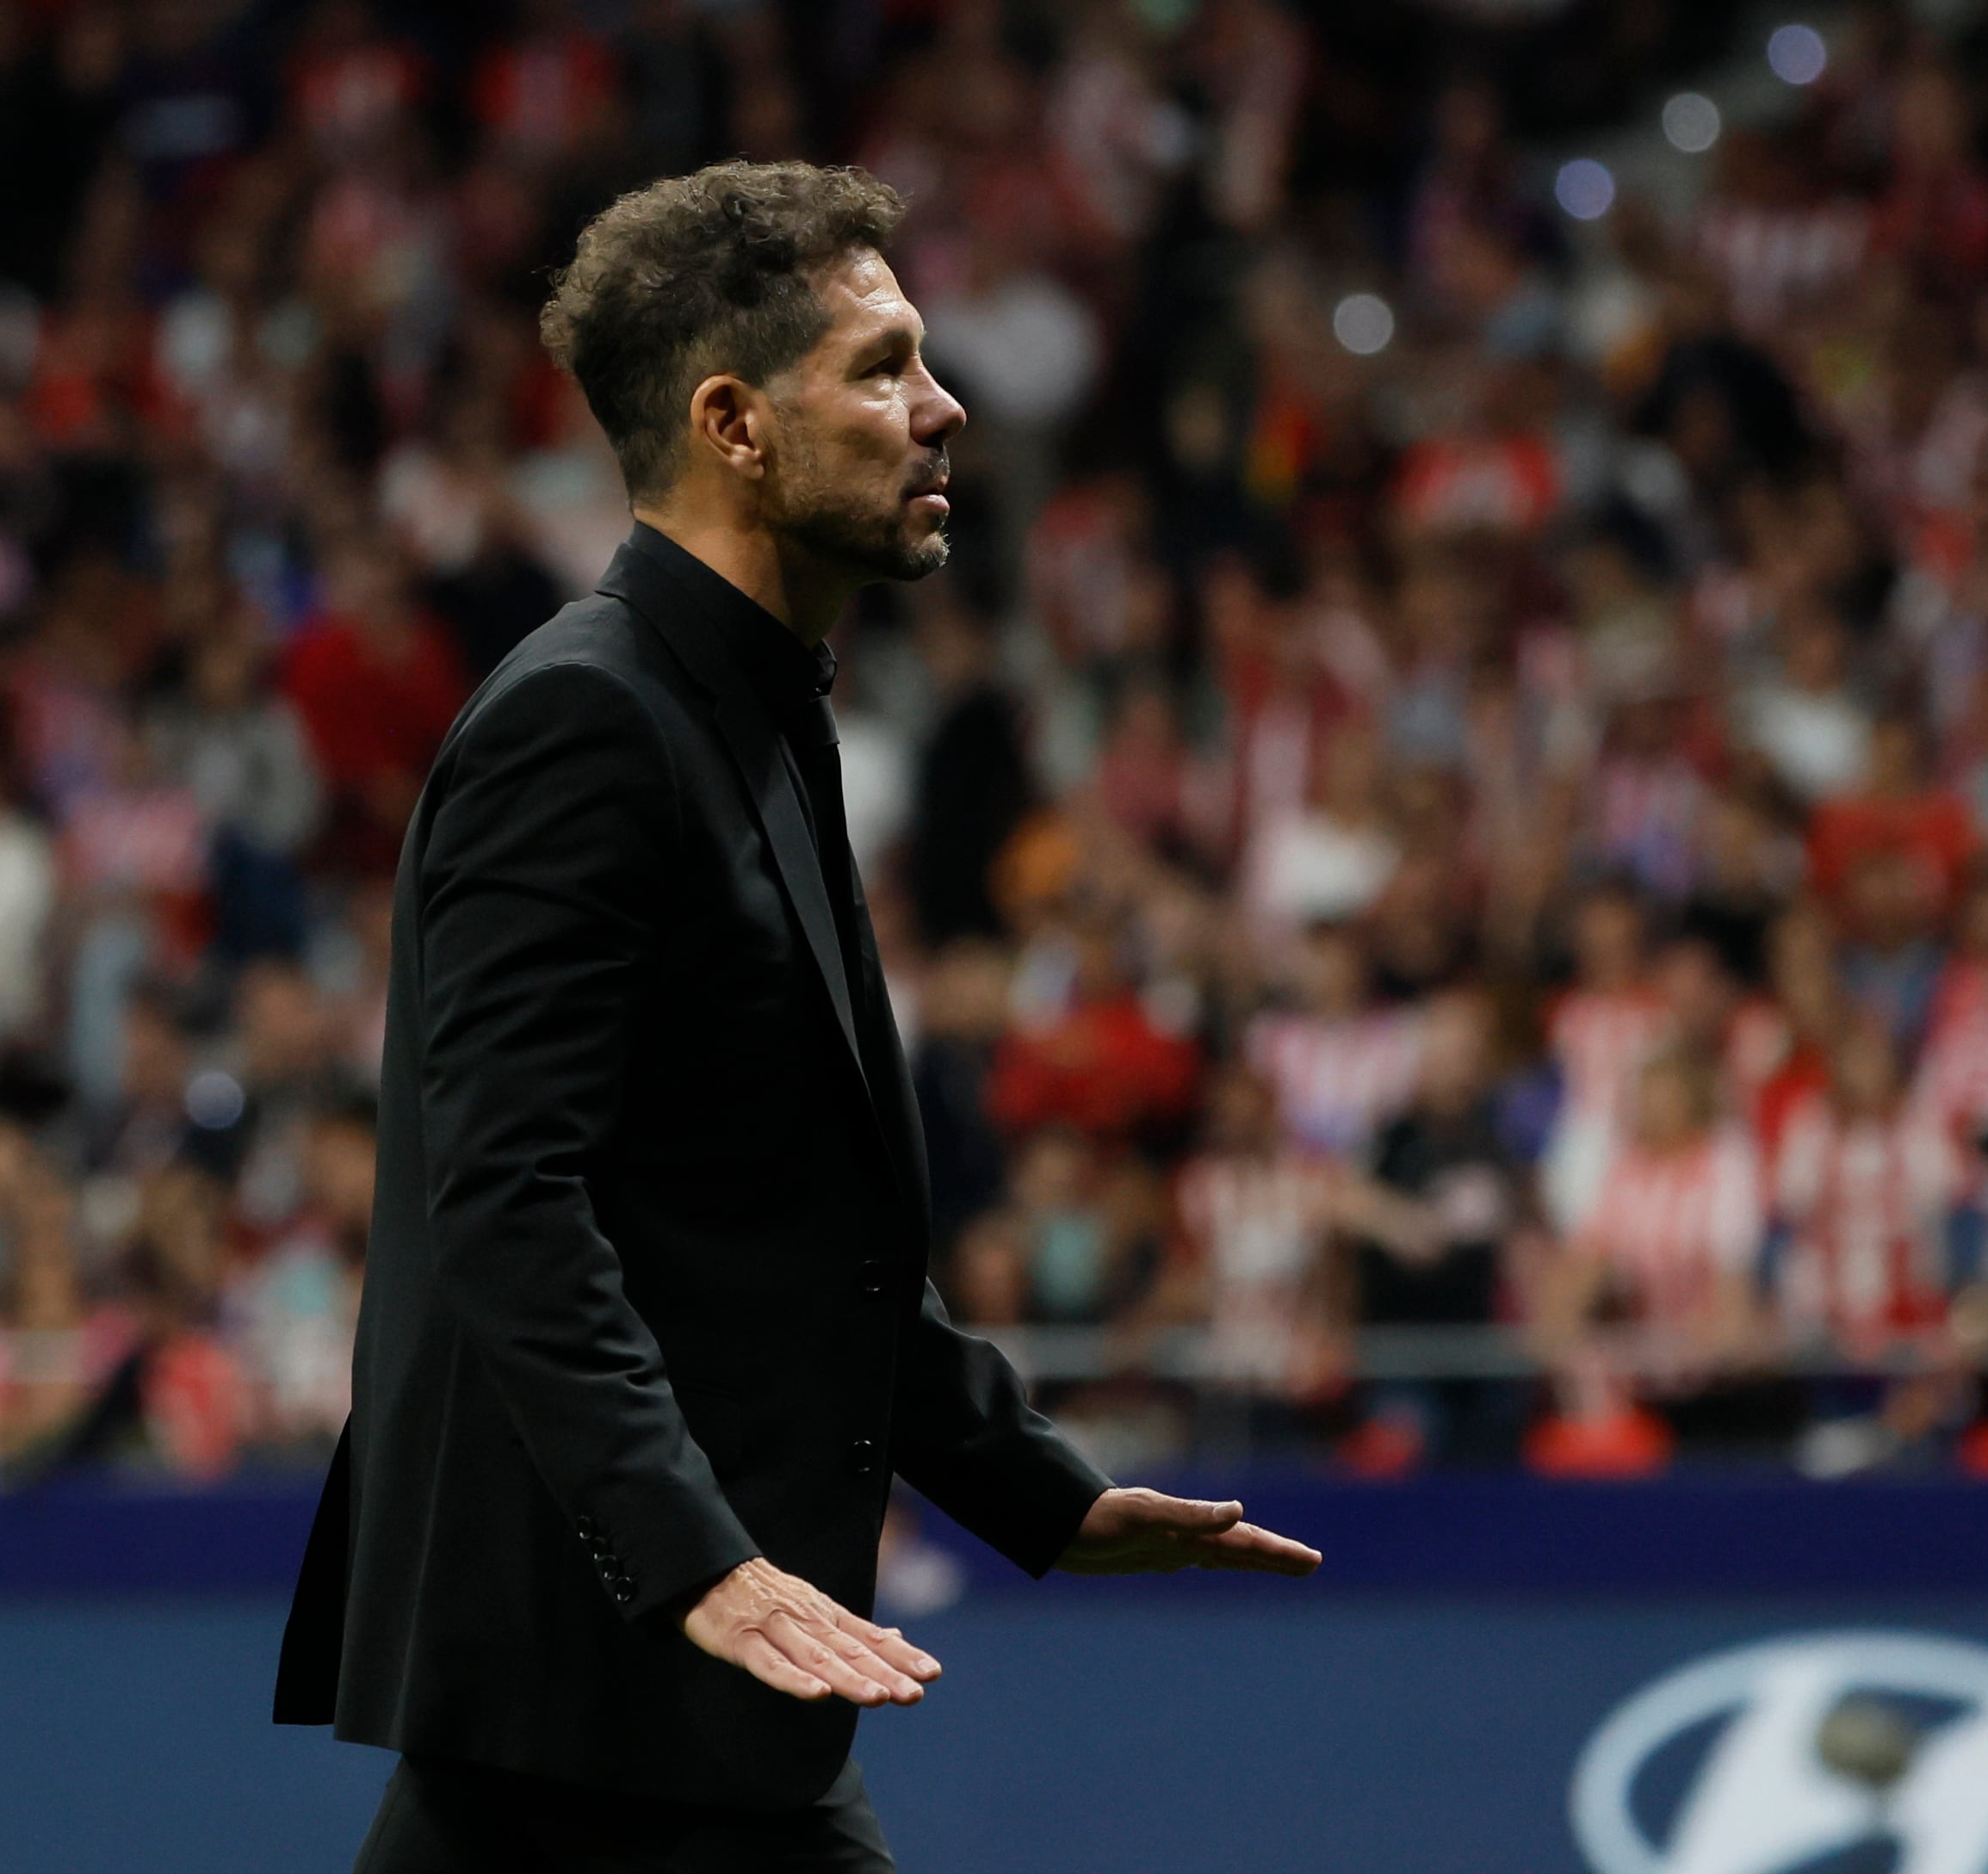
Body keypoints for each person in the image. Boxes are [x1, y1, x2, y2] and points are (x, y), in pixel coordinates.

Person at [274, 164, 1319, 1874]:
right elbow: (507, 1199)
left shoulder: (754, 713)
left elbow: (784, 1225)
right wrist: (696, 1559)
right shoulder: (585, 729)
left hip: (686, 1716)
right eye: (884, 365)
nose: (943, 406)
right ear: (734, 423)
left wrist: (1033, 1492)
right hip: (593, 1693)